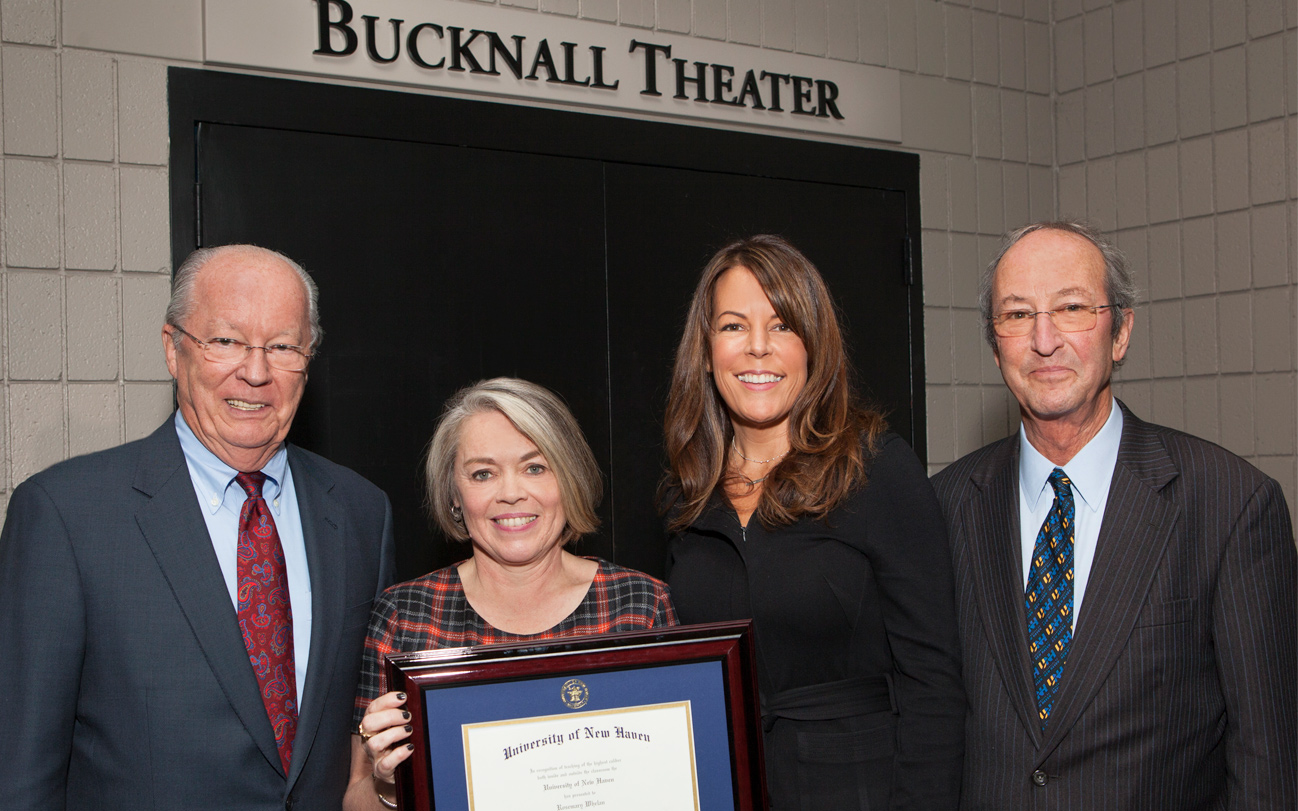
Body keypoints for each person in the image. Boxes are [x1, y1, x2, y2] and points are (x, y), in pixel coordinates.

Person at [0, 245, 396, 810]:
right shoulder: (65, 515)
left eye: (283, 347)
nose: (255, 372)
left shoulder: (361, 512)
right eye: (227, 341)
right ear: (173, 349)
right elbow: (21, 772)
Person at [932, 219, 1297, 808]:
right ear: (995, 343)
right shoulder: (945, 507)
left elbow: (1268, 764)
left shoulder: (1230, 505)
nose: (1044, 340)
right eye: (1018, 315)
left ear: (1121, 331)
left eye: (1072, 308)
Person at [661, 235, 965, 810]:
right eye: (732, 326)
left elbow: (935, 683)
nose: (757, 348)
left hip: (859, 789)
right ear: (704, 350)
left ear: (813, 346)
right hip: (730, 784)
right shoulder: (688, 492)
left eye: (781, 325)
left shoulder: (877, 468)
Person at [346, 377, 677, 810]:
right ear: (455, 496)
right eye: (483, 473)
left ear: (568, 477)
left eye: (535, 467)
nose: (510, 493)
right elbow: (355, 796)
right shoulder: (404, 615)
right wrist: (389, 786)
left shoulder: (641, 605)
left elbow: (673, 779)